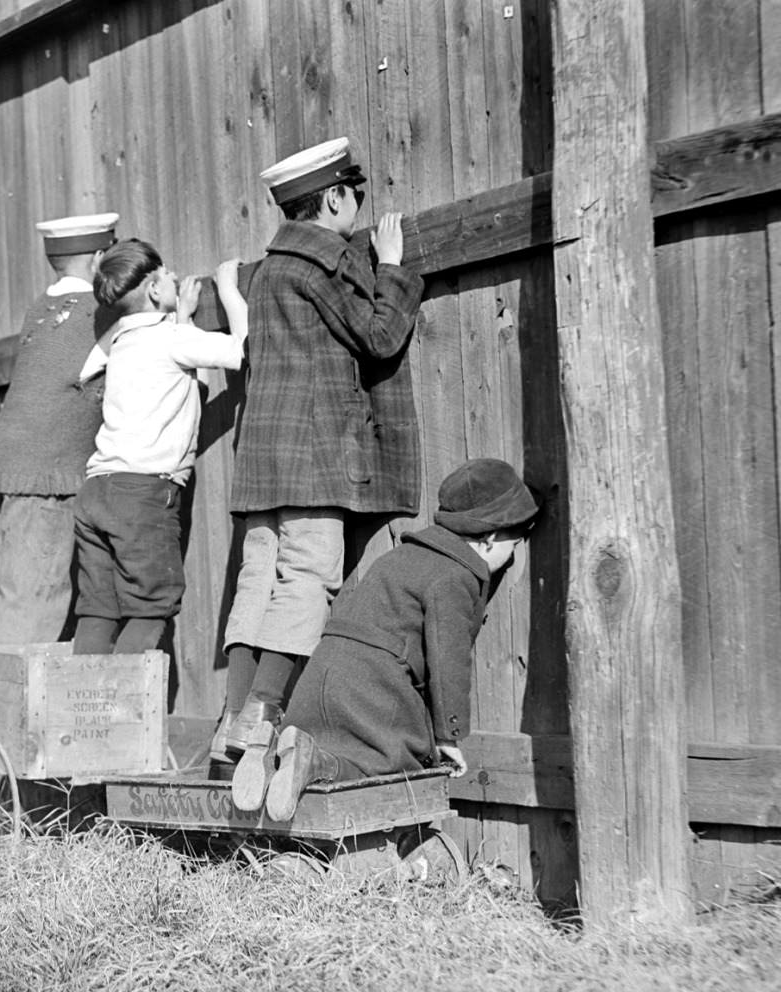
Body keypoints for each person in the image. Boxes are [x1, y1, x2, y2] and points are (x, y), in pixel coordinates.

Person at [213, 137, 426, 762]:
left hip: (262, 460)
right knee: (307, 579)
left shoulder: (269, 270)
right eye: (354, 196)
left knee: (258, 578)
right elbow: (381, 336)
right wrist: (390, 267)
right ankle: (264, 713)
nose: (358, 206)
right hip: (314, 457)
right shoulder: (324, 263)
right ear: (333, 198)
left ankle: (233, 719)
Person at [229, 458, 540, 819]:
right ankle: (312, 764)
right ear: (488, 539)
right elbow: (447, 660)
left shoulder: (404, 556)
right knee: (382, 769)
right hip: (374, 690)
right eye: (513, 544)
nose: (513, 555)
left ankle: (268, 751)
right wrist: (447, 736)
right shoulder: (455, 577)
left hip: (321, 676)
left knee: (313, 743)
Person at [71, 240, 248, 655]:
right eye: (166, 274)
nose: (174, 277)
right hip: (141, 494)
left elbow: (184, 385)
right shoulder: (170, 338)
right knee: (151, 606)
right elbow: (241, 349)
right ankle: (125, 717)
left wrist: (182, 320)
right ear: (153, 290)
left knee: (98, 609)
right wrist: (228, 291)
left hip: (97, 490)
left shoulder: (121, 342)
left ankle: (81, 717)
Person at [0, 213, 119, 645]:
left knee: (10, 592)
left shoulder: (42, 307)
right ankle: (8, 712)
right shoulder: (101, 313)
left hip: (4, 463)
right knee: (37, 596)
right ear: (99, 258)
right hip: (44, 473)